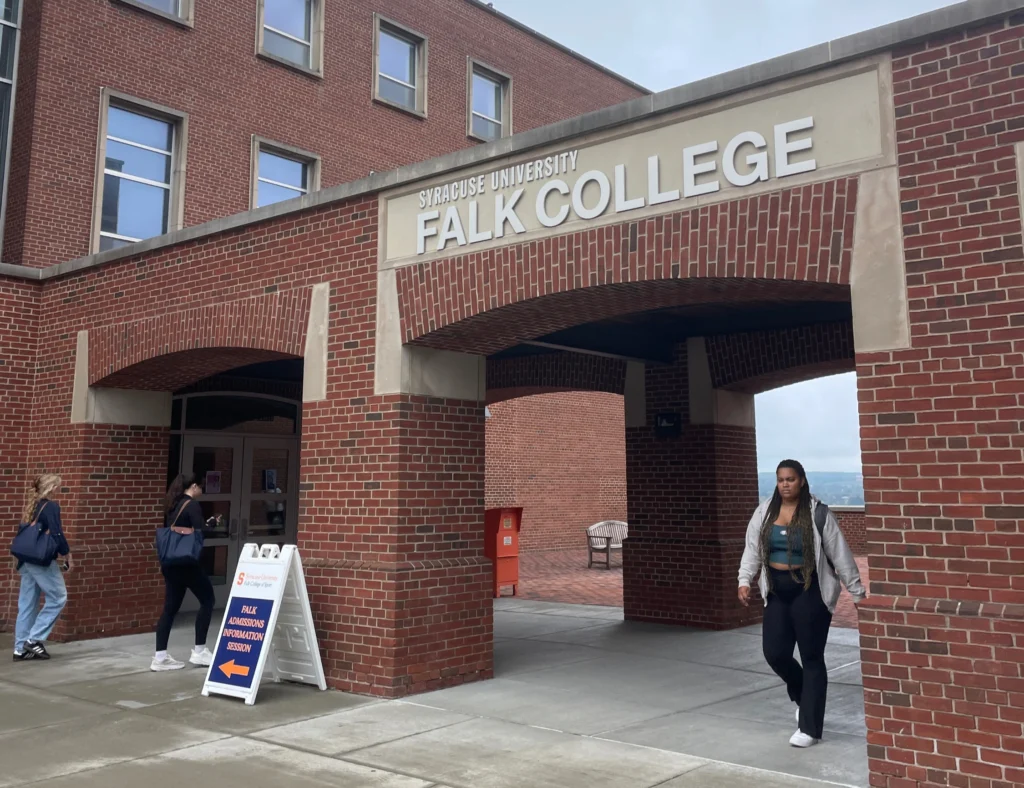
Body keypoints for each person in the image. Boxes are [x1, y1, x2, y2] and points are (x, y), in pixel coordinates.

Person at [737, 459, 866, 749]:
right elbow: (752, 550)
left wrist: (857, 593)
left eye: (791, 479)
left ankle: (810, 728)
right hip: (777, 592)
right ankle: (803, 697)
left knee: (811, 658)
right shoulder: (765, 511)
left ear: (802, 481)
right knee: (775, 653)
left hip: (809, 592)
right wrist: (744, 580)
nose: (785, 484)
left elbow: (841, 555)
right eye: (781, 479)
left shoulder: (818, 514)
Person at [151, 472, 215, 671]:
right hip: (187, 563)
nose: (201, 491)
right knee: (207, 600)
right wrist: (212, 525)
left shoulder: (173, 505)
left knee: (169, 609)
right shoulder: (192, 505)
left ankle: (160, 657)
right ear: (193, 486)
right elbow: (199, 530)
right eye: (200, 487)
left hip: (170, 563)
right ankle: (199, 651)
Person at [13, 474, 71, 661]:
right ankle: (34, 638)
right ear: (50, 488)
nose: (58, 490)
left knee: (27, 604)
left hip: (26, 560)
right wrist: (67, 554)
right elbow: (57, 533)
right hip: (41, 560)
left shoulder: (32, 506)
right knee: (59, 597)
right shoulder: (50, 506)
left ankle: (20, 648)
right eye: (56, 486)